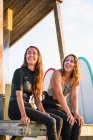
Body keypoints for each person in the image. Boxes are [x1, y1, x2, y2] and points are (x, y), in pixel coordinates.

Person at [8, 46, 63, 140]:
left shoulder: (37, 76)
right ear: (25, 56)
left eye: (34, 53)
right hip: (16, 108)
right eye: (29, 53)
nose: (31, 55)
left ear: (38, 58)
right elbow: (19, 96)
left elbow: (37, 100)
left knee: (59, 120)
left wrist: (44, 112)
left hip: (27, 107)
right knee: (51, 121)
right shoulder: (19, 72)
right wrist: (24, 115)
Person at [42, 54, 84, 140]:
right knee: (68, 120)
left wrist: (75, 113)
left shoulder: (75, 78)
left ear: (75, 66)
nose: (68, 63)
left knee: (77, 122)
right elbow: (59, 94)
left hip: (61, 107)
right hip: (48, 105)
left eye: (72, 61)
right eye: (67, 60)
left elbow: (74, 96)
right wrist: (69, 113)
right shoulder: (57, 73)